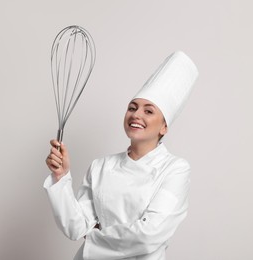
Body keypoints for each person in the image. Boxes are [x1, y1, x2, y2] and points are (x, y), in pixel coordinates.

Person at [44, 51, 199, 260]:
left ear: (164, 127)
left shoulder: (175, 169)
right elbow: (75, 227)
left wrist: (93, 238)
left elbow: (149, 235)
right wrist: (61, 177)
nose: (136, 115)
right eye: (132, 108)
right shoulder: (101, 166)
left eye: (149, 111)